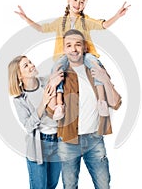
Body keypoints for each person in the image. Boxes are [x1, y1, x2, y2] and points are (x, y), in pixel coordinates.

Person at [14, 0, 130, 120]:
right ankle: (59, 105)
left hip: (85, 54)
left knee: (96, 65)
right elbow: (42, 28)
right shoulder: (60, 22)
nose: (78, 4)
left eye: (82, 2)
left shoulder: (86, 21)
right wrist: (26, 18)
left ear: (85, 5)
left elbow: (103, 25)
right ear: (68, 1)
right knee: (56, 70)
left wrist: (117, 16)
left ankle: (102, 100)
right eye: (75, 0)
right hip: (63, 56)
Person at [46, 29, 122, 189]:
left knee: (103, 185)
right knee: (70, 185)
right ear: (64, 49)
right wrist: (52, 86)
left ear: (84, 47)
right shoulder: (59, 72)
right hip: (68, 141)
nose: (73, 49)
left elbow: (116, 103)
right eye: (69, 45)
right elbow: (51, 111)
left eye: (77, 44)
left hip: (95, 138)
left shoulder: (94, 68)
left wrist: (105, 80)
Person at [8, 55, 64, 189]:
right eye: (25, 66)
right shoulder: (20, 100)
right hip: (38, 147)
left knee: (52, 185)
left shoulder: (47, 81)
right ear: (19, 76)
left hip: (58, 141)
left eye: (30, 62)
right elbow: (28, 126)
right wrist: (43, 103)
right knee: (39, 186)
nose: (32, 65)